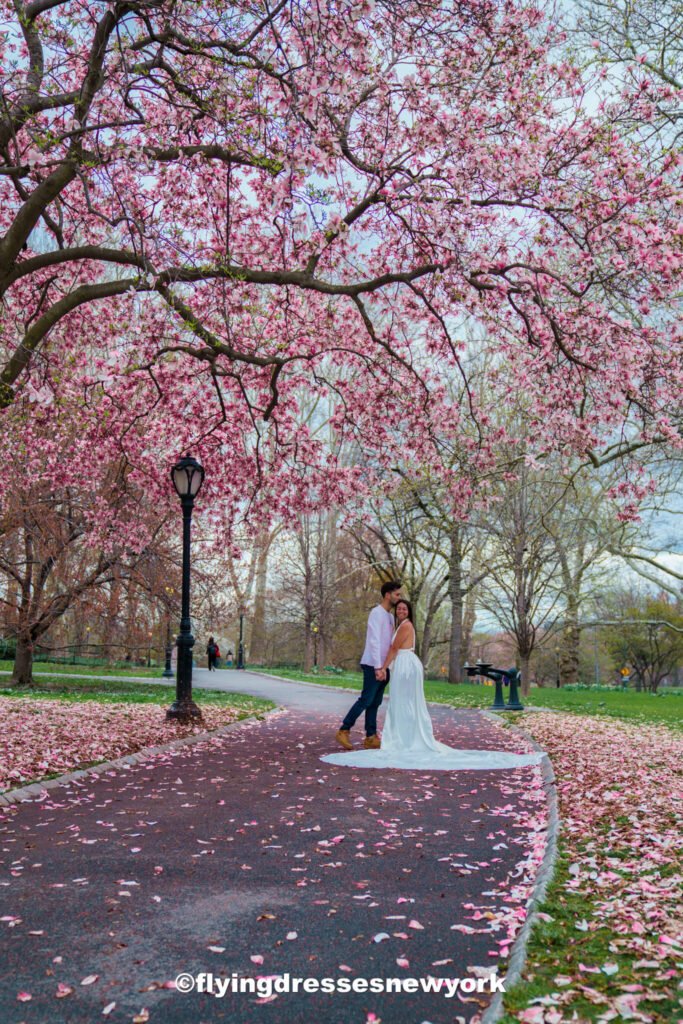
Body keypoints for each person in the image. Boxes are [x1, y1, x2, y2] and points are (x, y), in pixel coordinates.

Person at [322, 599, 544, 772]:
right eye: (398, 609)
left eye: (404, 609)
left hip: (406, 665)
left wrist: (382, 668)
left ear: (408, 612)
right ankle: (400, 736)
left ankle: (407, 739)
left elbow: (392, 650)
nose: (400, 611)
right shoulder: (398, 626)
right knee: (400, 703)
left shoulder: (406, 626)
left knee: (405, 703)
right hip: (403, 664)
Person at [335, 580, 402, 751]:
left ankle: (371, 736)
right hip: (373, 664)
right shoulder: (376, 613)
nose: (399, 597)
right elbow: (374, 641)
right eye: (397, 594)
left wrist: (388, 666)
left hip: (384, 665)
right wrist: (378, 667)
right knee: (366, 699)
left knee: (375, 702)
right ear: (388, 595)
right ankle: (344, 729)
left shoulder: (389, 616)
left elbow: (390, 643)